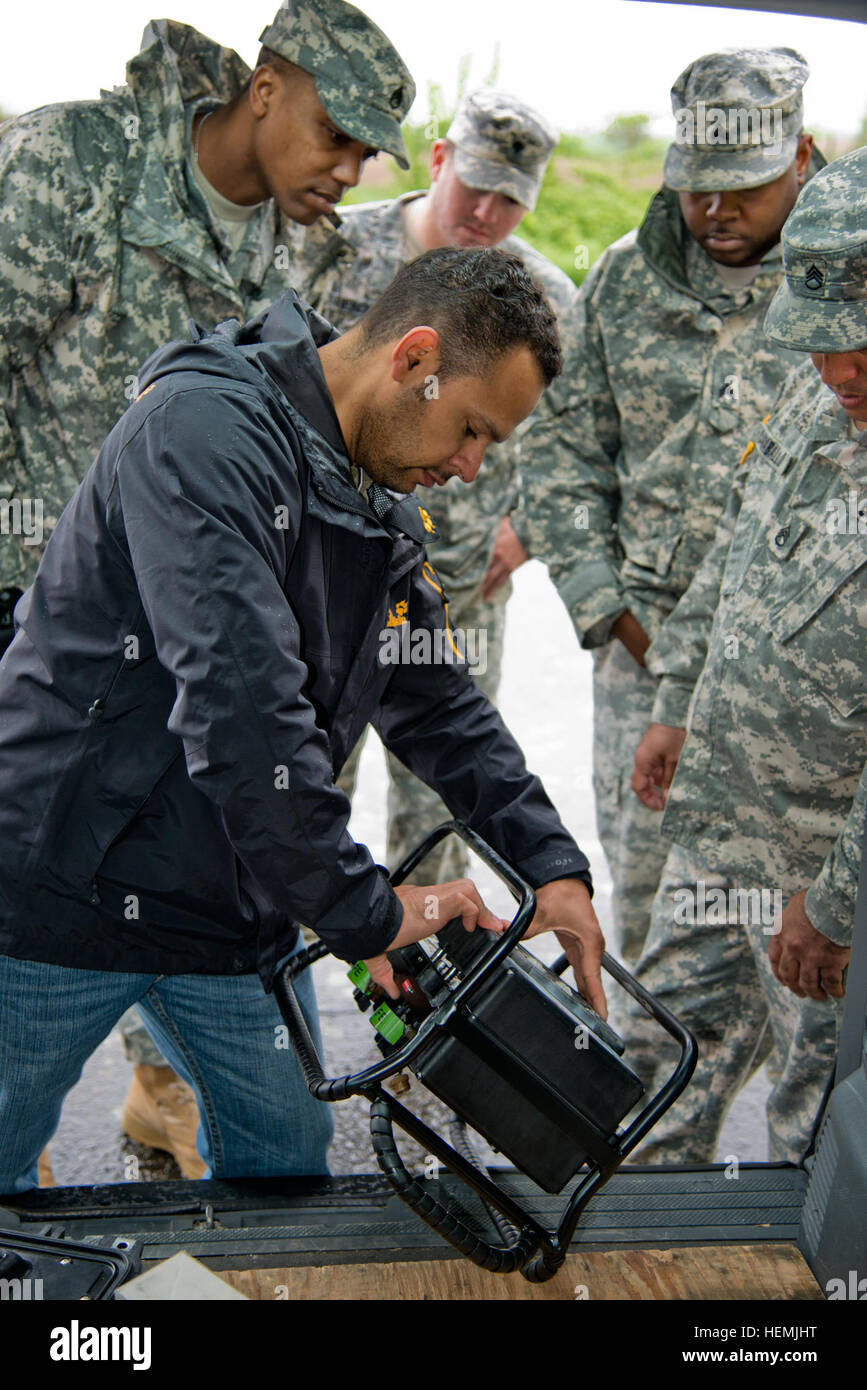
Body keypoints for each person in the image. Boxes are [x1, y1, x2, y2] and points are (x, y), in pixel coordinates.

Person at [0, 247, 607, 1195]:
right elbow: (245, 715)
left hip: (235, 913)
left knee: (286, 1177)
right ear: (413, 359)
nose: (468, 466)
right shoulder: (202, 432)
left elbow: (435, 700)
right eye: (470, 430)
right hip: (55, 892)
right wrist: (369, 915)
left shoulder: (376, 484)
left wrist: (549, 864)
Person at [0, 0, 415, 1177]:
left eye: (368, 157)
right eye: (336, 137)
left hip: (180, 637)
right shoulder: (73, 162)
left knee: (197, 880)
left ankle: (160, 1098)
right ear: (269, 85)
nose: (349, 171)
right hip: (34, 621)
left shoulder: (297, 247)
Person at [521, 48, 821, 966]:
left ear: (801, 159)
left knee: (795, 927)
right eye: (697, 188)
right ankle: (658, 1096)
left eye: (744, 187)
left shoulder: (840, 290)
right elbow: (558, 446)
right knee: (651, 898)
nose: (717, 211)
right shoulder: (622, 279)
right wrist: (607, 608)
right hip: (638, 656)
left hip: (799, 671)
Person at [625, 143, 867, 1163]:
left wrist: (841, 899)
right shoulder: (821, 399)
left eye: (861, 343)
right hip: (720, 833)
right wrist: (678, 695)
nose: (837, 370)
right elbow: (737, 546)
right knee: (650, 1066)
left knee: (814, 1138)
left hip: (825, 887)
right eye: (820, 342)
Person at [291, 89, 576, 882]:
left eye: (510, 199)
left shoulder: (548, 302)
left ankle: (422, 977)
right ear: (440, 160)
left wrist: (523, 531)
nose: (486, 212)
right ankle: (277, 978)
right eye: (474, 185)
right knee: (307, 779)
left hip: (455, 586)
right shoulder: (331, 247)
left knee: (443, 798)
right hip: (324, 575)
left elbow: (570, 443)